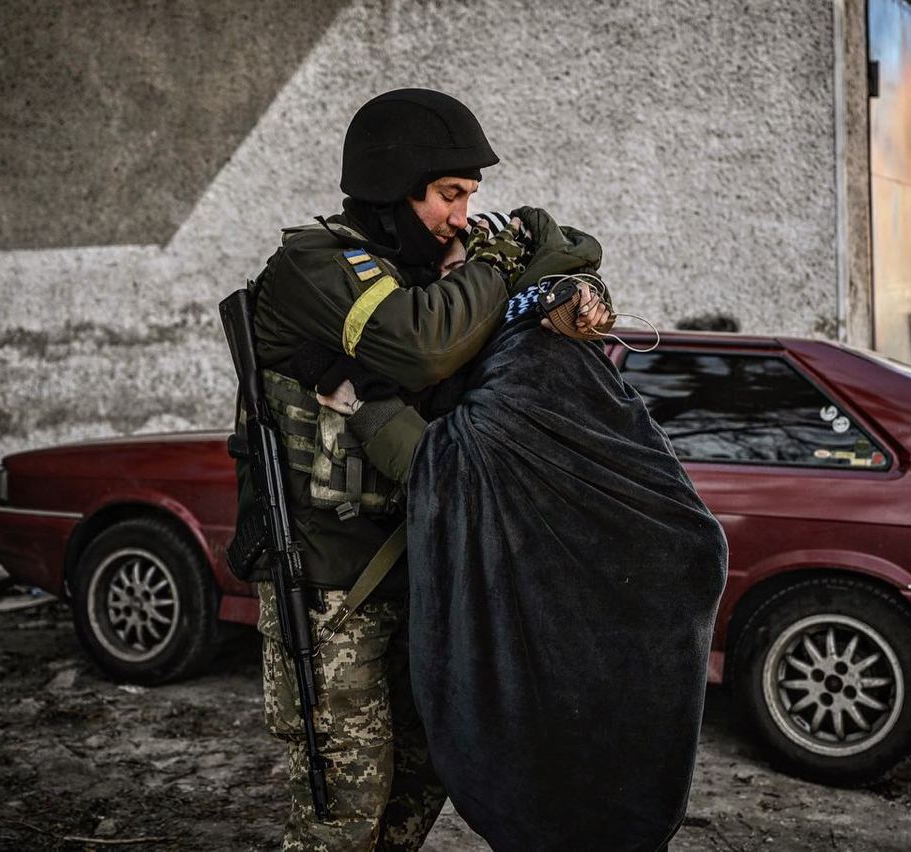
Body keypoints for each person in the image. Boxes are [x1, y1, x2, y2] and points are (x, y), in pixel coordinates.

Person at [236, 89, 610, 850]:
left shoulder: (438, 271)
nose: (463, 216)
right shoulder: (316, 263)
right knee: (344, 808)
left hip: (426, 569)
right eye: (448, 194)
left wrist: (575, 288)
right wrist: (496, 265)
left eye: (470, 196)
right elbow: (420, 347)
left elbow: (564, 252)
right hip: (327, 583)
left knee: (426, 772)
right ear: (392, 186)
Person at [319, 213, 728, 850]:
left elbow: (450, 467)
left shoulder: (532, 349)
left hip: (604, 608)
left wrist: (365, 406)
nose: (452, 293)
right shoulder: (520, 346)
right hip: (583, 611)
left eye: (461, 273)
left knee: (573, 779)